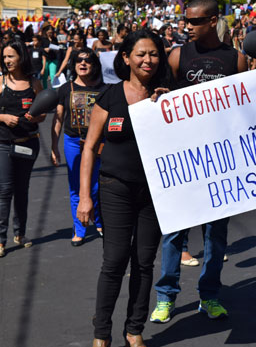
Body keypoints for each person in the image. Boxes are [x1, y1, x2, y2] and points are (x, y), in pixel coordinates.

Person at [149, 0, 247, 325]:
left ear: (213, 20)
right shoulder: (177, 55)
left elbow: (245, 111)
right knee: (175, 232)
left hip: (220, 162)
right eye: (185, 20)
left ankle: (210, 296)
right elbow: (161, 97)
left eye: (194, 21)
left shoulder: (236, 59)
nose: (187, 26)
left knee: (215, 235)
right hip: (182, 160)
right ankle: (165, 297)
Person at [76, 29, 170, 347]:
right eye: (141, 54)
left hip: (154, 193)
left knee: (144, 262)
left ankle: (134, 330)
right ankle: (101, 334)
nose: (148, 60)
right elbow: (89, 147)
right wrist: (85, 197)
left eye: (154, 53)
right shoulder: (110, 97)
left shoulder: (170, 97)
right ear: (126, 58)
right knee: (114, 260)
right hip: (115, 188)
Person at [0, 41, 46, 258]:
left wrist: (36, 116)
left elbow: (43, 113)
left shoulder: (34, 84)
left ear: (21, 57)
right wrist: (3, 117)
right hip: (2, 143)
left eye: (11, 57)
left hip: (27, 143)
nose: (7, 61)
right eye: (5, 57)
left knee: (22, 190)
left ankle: (20, 234)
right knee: (5, 190)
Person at [51, 48, 106, 246]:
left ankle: (99, 221)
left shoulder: (104, 89)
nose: (83, 64)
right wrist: (54, 146)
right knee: (75, 187)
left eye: (87, 61)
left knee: (96, 186)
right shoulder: (66, 89)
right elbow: (58, 120)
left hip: (99, 143)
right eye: (79, 61)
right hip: (73, 142)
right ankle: (79, 228)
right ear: (74, 65)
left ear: (94, 65)